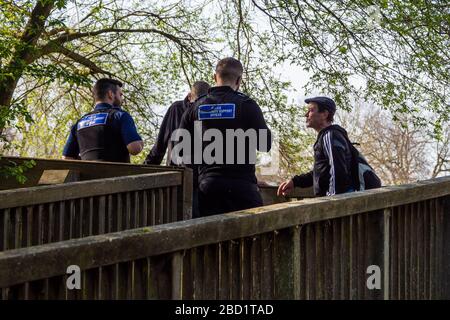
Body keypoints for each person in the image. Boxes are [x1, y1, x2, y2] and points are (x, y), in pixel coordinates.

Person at [177, 57, 272, 217]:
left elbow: (182, 150)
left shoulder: (196, 108)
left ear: (215, 77)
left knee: (211, 238)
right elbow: (265, 145)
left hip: (208, 187)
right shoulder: (248, 105)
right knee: (252, 238)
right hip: (243, 188)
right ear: (239, 80)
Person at [278, 96, 354, 197]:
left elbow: (337, 171)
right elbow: (321, 173)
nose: (306, 114)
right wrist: (295, 182)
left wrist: (332, 202)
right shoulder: (327, 136)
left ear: (324, 114)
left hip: (335, 204)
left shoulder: (330, 136)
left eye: (311, 110)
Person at [62, 78, 143, 162]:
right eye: (120, 95)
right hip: (118, 174)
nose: (122, 99)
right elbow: (134, 148)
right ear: (110, 94)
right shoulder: (120, 115)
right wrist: (140, 143)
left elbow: (66, 158)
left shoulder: (79, 123)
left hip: (88, 174)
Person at [144, 81, 210, 165]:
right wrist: (146, 166)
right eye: (196, 103)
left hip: (200, 171)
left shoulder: (209, 112)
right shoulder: (176, 109)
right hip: (176, 169)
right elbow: (160, 143)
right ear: (189, 97)